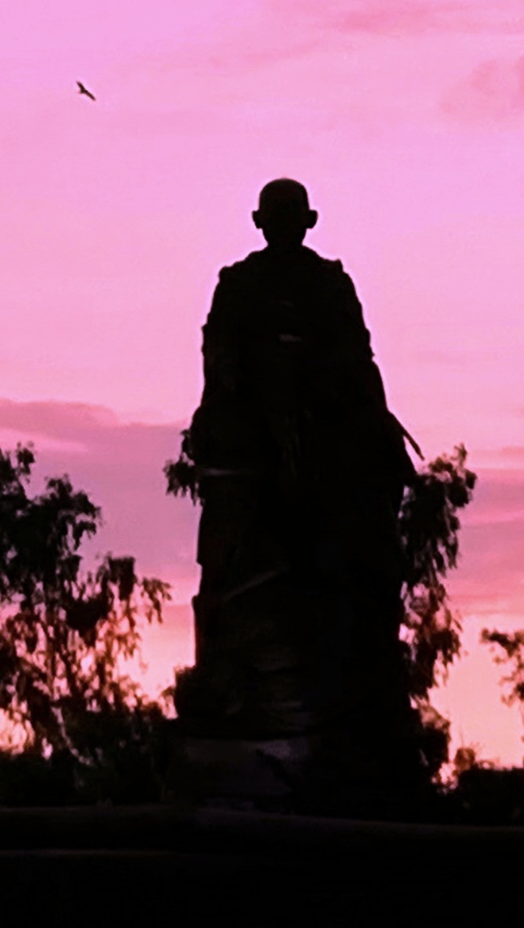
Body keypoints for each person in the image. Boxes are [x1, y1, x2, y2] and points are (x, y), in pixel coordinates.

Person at [181, 178, 418, 797]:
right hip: (252, 421)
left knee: (364, 485)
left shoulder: (329, 283)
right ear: (262, 223)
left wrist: (345, 409)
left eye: (293, 216)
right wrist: (259, 405)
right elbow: (220, 352)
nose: (284, 225)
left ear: (305, 222)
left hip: (322, 415)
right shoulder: (238, 284)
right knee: (236, 496)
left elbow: (355, 354)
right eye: (276, 216)